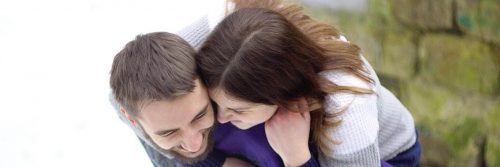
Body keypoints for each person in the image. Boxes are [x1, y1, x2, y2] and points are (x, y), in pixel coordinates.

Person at [195, 7, 421, 167]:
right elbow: (160, 95)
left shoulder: (347, 107)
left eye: (238, 110)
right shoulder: (231, 20)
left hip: (387, 154)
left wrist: (296, 158)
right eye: (216, 103)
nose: (220, 117)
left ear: (282, 95)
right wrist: (215, 162)